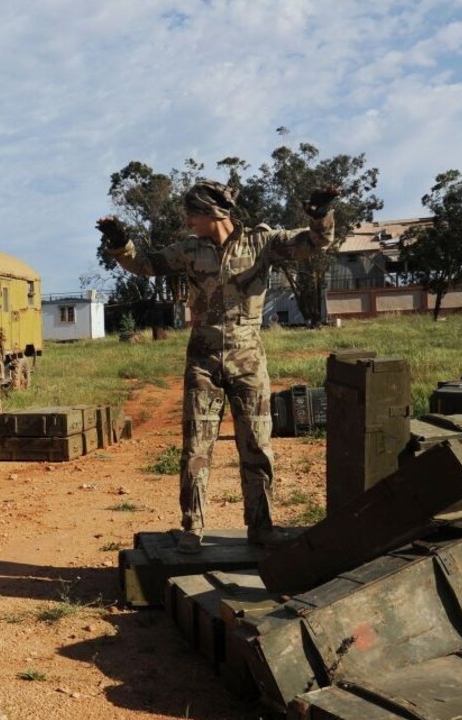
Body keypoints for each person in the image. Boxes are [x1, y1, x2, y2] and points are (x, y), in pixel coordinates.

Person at [96, 180, 338, 554]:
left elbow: (314, 243)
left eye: (191, 212)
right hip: (203, 362)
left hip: (248, 360)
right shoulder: (189, 250)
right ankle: (192, 528)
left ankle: (262, 528)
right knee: (196, 448)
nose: (186, 219)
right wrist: (118, 240)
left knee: (256, 446)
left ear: (212, 212)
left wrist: (321, 216)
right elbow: (143, 265)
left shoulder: (262, 242)